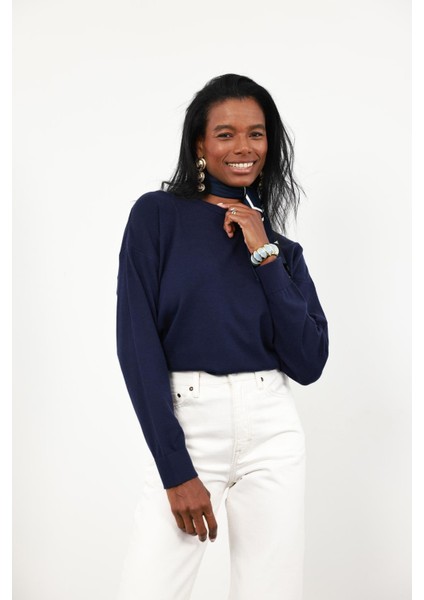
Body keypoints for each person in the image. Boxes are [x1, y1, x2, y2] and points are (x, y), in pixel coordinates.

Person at [116, 73, 329, 600]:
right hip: (189, 424)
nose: (243, 147)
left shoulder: (282, 250)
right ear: (200, 145)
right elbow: (137, 343)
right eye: (226, 134)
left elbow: (308, 362)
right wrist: (174, 468)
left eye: (256, 134)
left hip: (272, 431)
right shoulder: (157, 217)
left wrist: (264, 252)